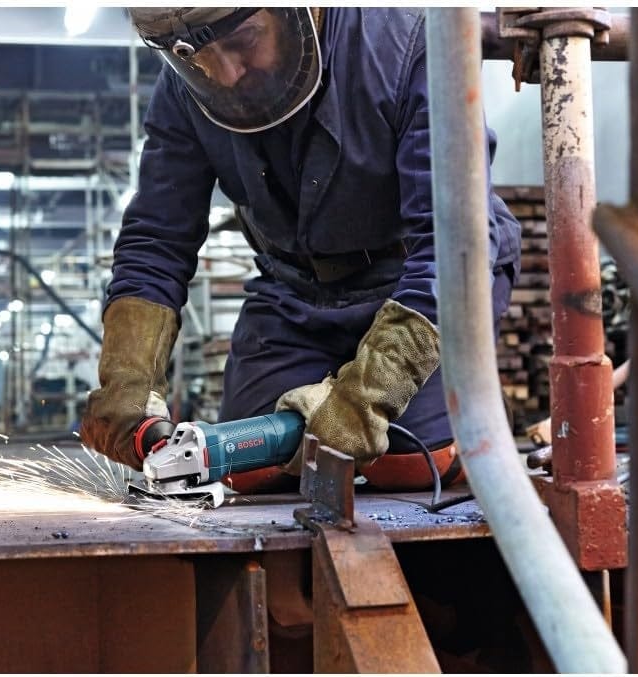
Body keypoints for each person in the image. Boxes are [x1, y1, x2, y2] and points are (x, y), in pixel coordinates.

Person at [80, 8, 521, 493]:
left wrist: (367, 398)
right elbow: (157, 239)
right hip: (292, 294)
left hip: (416, 281)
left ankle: (452, 426)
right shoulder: (186, 92)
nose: (225, 73)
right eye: (194, 56)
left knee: (410, 463)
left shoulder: (411, 41)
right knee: (246, 467)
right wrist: (127, 375)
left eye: (244, 38)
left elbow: (451, 244)